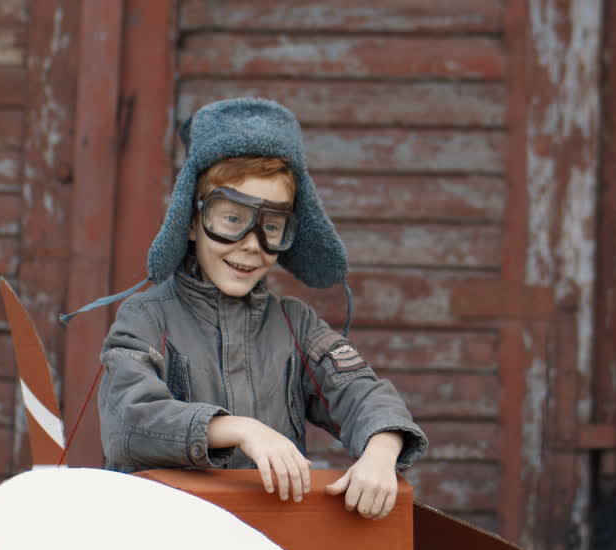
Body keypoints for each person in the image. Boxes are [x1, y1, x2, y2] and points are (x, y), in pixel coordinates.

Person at [96, 97, 427, 520]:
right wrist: (236, 428)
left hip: (270, 548)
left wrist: (382, 447)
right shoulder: (145, 318)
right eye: (231, 219)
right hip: (165, 545)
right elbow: (127, 420)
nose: (252, 244)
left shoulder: (296, 325)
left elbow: (361, 392)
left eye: (271, 227)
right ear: (194, 221)